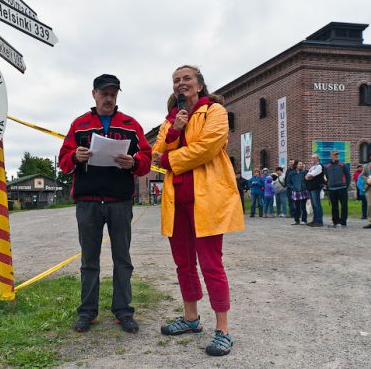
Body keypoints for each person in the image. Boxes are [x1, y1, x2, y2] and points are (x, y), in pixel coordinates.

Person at [152, 65, 244, 357]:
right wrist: (175, 132)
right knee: (183, 264)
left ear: (200, 84)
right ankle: (191, 318)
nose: (181, 83)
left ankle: (223, 330)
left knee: (211, 264)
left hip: (206, 200)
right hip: (176, 201)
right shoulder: (170, 120)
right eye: (176, 80)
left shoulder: (214, 112)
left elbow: (208, 147)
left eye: (186, 78)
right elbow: (156, 152)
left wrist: (170, 159)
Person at [58, 74, 152, 334]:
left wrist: (134, 162)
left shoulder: (131, 125)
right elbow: (63, 161)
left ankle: (123, 311)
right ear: (94, 95)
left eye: (113, 93)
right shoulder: (79, 124)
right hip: (87, 202)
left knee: (122, 258)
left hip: (120, 201)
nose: (109, 98)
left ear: (117, 95)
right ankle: (87, 312)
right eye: (104, 93)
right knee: (89, 260)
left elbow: (146, 158)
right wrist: (75, 156)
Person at [324, 151, 351, 228]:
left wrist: (346, 185)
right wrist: (327, 185)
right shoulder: (327, 166)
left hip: (342, 188)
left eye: (337, 155)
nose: (336, 156)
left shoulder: (342, 165)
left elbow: (348, 176)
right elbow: (325, 177)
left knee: (344, 206)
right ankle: (335, 221)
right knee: (334, 206)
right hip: (332, 189)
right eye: (334, 155)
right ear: (331, 156)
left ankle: (343, 222)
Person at [305, 154, 326, 227]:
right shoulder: (312, 167)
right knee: (313, 205)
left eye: (314, 158)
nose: (312, 159)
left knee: (317, 204)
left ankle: (319, 221)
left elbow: (310, 175)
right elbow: (306, 176)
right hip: (311, 187)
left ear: (318, 159)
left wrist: (309, 176)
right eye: (312, 158)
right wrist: (309, 176)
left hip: (316, 187)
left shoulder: (319, 166)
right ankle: (314, 220)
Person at [287, 160, 308, 225]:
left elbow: (307, 181)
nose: (301, 165)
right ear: (296, 165)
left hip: (303, 191)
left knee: (303, 206)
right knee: (297, 206)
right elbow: (288, 182)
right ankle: (297, 220)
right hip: (295, 192)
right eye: (300, 164)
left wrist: (304, 187)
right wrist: (293, 187)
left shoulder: (304, 173)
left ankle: (304, 220)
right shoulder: (291, 173)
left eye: (302, 164)